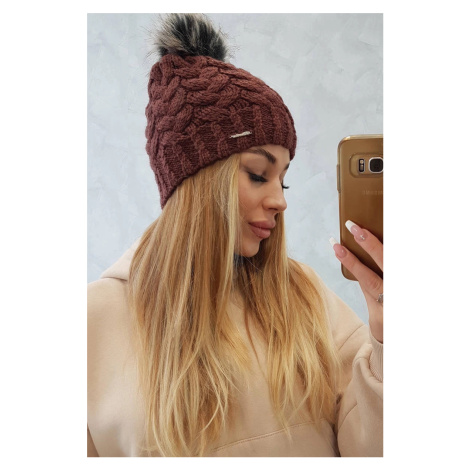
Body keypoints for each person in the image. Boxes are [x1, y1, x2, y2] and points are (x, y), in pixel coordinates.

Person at [87, 13, 383, 457]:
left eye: (283, 181)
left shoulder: (305, 296)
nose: (280, 201)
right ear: (196, 180)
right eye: (259, 174)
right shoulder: (92, 323)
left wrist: (389, 340)